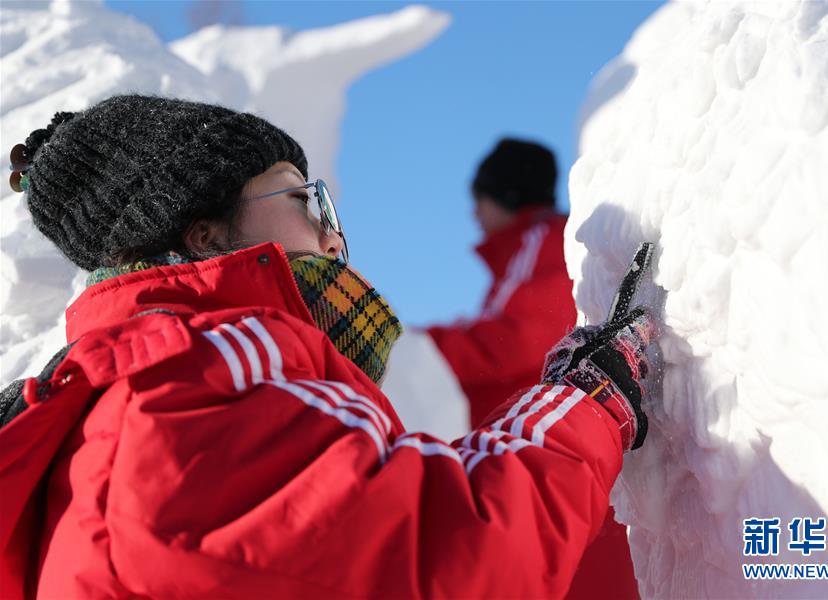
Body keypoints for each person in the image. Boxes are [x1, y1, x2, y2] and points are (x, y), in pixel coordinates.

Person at [0, 95, 658, 599]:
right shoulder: (185, 394)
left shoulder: (170, 387)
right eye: (304, 199)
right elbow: (450, 556)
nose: (335, 237)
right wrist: (588, 400)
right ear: (202, 235)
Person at [426, 138, 641, 599]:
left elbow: (517, 336)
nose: (474, 215)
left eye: (479, 199)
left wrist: (421, 348)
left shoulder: (538, 242)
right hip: (576, 456)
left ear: (504, 197)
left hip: (559, 453)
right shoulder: (538, 249)